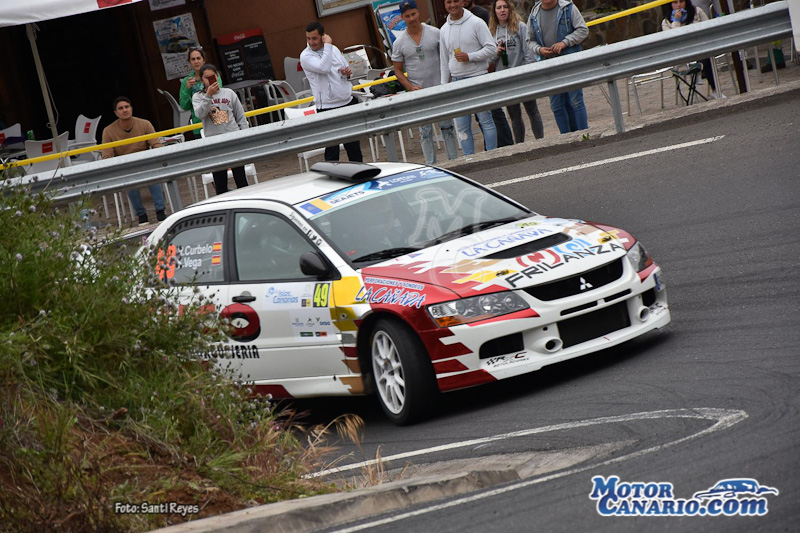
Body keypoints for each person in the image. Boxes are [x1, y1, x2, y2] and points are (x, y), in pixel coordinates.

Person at [391, 0, 459, 165]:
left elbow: (446, 58)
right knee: (425, 131)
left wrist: (447, 80)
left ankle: (455, 162)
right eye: (407, 16)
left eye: (413, 14)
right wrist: (409, 87)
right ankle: (431, 165)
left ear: (418, 12)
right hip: (418, 93)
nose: (412, 18)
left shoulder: (435, 33)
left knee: (447, 128)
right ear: (402, 18)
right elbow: (397, 70)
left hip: (439, 88)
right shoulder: (399, 43)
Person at [439, 0, 498, 156]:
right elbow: (444, 61)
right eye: (448, 2)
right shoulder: (444, 29)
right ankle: (469, 159)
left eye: (456, 1)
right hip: (457, 82)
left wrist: (470, 56)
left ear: (463, 2)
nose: (452, 5)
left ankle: (493, 156)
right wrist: (444, 86)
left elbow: (492, 48)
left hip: (477, 77)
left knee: (485, 120)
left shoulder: (476, 23)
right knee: (462, 126)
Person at [300, 21, 363, 163]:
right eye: (308, 38)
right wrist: (327, 45)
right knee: (332, 150)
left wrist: (346, 73)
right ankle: (332, 180)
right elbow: (324, 68)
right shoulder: (305, 56)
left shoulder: (333, 49)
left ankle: (360, 175)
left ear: (322, 36)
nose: (311, 42)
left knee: (353, 147)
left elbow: (344, 69)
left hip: (346, 101)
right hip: (327, 107)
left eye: (314, 38)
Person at [526, 0, 589, 134]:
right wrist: (540, 49)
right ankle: (566, 140)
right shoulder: (534, 14)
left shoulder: (568, 8)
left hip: (569, 62)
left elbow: (583, 30)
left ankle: (584, 136)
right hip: (549, 65)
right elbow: (529, 40)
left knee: (576, 101)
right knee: (557, 106)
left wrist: (564, 43)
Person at [101, 97, 166, 226]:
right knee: (130, 182)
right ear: (115, 112)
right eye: (121, 108)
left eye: (127, 107)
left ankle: (160, 211)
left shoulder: (145, 124)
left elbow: (157, 145)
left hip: (145, 162)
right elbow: (107, 157)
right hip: (126, 166)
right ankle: (141, 214)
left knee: (154, 176)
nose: (124, 110)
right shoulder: (108, 131)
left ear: (131, 109)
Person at [489, 0, 544, 144]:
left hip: (521, 76)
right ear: (494, 11)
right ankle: (519, 145)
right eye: (499, 8)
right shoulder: (491, 31)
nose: (502, 10)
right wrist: (496, 52)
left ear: (510, 9)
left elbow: (528, 53)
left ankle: (541, 141)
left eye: (505, 7)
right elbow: (488, 59)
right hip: (504, 79)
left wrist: (528, 73)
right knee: (514, 115)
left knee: (532, 110)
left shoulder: (520, 27)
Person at [192, 64, 250, 195]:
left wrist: (244, 137)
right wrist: (208, 96)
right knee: (220, 183)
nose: (211, 80)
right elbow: (200, 114)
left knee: (241, 179)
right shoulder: (198, 97)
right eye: (207, 78)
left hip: (233, 139)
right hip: (215, 144)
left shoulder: (229, 93)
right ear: (202, 80)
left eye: (213, 77)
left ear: (218, 77)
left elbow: (241, 117)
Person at [661, 0, 721, 97]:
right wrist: (676, 21)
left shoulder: (697, 11)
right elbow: (674, 40)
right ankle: (700, 74)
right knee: (705, 57)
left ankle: (715, 90)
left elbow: (709, 28)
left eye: (681, 1)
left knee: (706, 56)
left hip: (701, 47)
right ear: (670, 5)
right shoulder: (666, 22)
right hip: (683, 53)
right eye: (675, 2)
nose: (679, 5)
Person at [179, 46, 223, 125]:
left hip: (216, 119)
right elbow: (184, 106)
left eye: (198, 58)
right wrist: (187, 89)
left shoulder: (214, 75)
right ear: (189, 62)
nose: (196, 61)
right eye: (193, 59)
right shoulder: (187, 81)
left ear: (204, 60)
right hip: (198, 123)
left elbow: (219, 95)